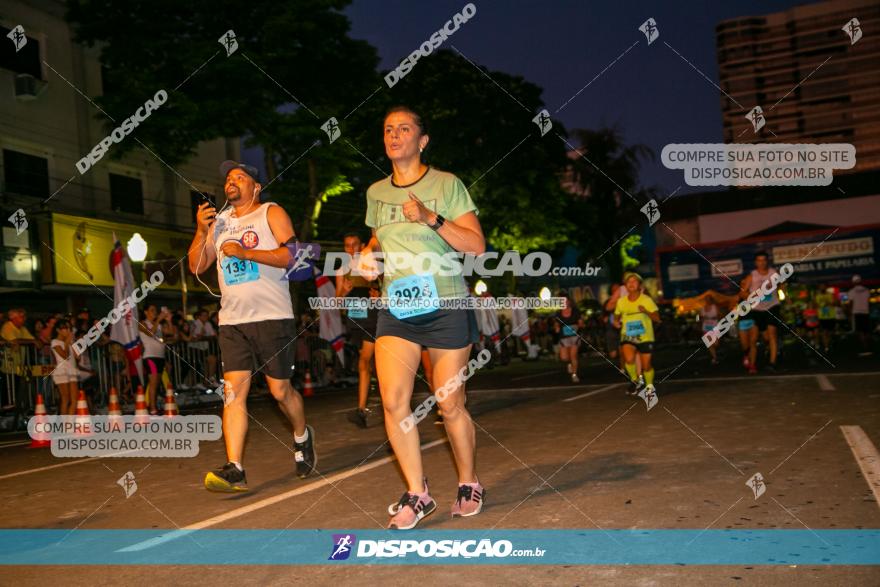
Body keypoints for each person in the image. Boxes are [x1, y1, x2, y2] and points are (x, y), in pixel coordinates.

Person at [360, 106, 485, 529]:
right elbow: (377, 237)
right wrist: (367, 255)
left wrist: (432, 218)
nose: (395, 135)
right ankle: (418, 491)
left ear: (422, 140)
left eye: (404, 128)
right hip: (398, 308)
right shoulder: (376, 193)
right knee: (394, 401)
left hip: (447, 303)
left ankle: (469, 482)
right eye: (388, 129)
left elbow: (475, 246)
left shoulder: (447, 185)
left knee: (450, 403)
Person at [188, 160, 315, 492]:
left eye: (240, 177)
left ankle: (302, 435)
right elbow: (197, 266)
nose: (232, 182)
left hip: (272, 317)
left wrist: (248, 253)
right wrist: (202, 231)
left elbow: (295, 256)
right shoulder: (218, 223)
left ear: (255, 187)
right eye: (229, 178)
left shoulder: (270, 212)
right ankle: (235, 467)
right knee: (232, 395)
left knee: (280, 391)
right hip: (232, 321)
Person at [337, 232, 381, 428]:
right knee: (365, 362)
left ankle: (366, 408)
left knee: (368, 361)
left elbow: (385, 286)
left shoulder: (372, 264)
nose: (352, 249)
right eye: (347, 245)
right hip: (355, 317)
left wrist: (378, 294)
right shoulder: (341, 270)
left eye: (355, 244)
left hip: (374, 315)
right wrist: (344, 292)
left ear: (362, 245)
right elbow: (338, 303)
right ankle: (362, 409)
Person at [613, 273, 660, 395]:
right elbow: (617, 315)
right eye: (629, 282)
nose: (631, 284)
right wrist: (616, 322)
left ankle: (649, 387)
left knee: (646, 366)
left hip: (645, 337)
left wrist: (646, 311)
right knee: (628, 359)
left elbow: (657, 318)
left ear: (639, 285)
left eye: (634, 281)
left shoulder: (646, 300)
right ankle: (635, 380)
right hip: (628, 335)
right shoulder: (621, 302)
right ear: (625, 286)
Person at [740, 251, 784, 372]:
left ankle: (772, 363)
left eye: (764, 260)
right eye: (759, 260)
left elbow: (781, 285)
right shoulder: (752, 276)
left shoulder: (773, 273)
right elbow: (742, 292)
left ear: (767, 261)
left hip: (772, 307)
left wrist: (783, 295)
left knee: (772, 334)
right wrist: (751, 297)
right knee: (758, 339)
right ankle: (754, 361)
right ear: (756, 262)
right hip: (757, 310)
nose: (762, 263)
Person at [140, 304, 168, 414]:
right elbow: (150, 333)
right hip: (150, 357)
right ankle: (152, 408)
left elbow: (165, 337)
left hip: (160, 356)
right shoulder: (142, 323)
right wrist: (158, 320)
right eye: (152, 310)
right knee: (153, 382)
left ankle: (153, 405)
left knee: (157, 383)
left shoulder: (159, 325)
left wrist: (168, 321)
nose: (155, 312)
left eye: (155, 310)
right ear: (146, 312)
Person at [50, 320, 79, 415]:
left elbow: (78, 357)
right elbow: (65, 356)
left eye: (69, 328)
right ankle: (64, 424)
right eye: (65, 328)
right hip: (61, 372)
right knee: (65, 399)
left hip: (72, 371)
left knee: (75, 399)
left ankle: (69, 423)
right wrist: (67, 342)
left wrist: (72, 343)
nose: (68, 331)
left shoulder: (69, 341)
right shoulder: (55, 342)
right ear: (58, 330)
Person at [554, 293, 584, 383]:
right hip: (564, 337)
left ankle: (574, 375)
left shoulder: (575, 311)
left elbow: (580, 322)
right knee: (564, 358)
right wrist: (557, 327)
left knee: (573, 356)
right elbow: (556, 324)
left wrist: (580, 325)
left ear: (569, 301)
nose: (564, 303)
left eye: (565, 300)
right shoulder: (558, 313)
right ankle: (569, 363)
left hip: (575, 336)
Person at [847, 275, 873, 357]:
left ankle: (864, 348)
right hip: (866, 312)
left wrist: (849, 313)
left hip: (857, 313)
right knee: (866, 330)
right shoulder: (867, 290)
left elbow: (851, 304)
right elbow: (869, 302)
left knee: (860, 331)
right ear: (860, 281)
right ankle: (869, 346)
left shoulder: (851, 291)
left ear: (853, 282)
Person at [815, 285, 837, 354]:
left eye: (823, 286)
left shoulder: (830, 295)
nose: (822, 288)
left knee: (831, 333)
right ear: (819, 288)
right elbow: (815, 305)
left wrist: (829, 303)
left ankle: (830, 343)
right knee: (824, 332)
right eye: (821, 287)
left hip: (831, 316)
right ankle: (826, 347)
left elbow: (834, 303)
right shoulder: (817, 296)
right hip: (822, 317)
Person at [701, 294, 720, 365]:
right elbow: (701, 318)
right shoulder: (702, 308)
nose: (707, 300)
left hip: (714, 327)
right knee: (709, 343)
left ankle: (715, 355)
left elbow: (719, 315)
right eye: (706, 299)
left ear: (711, 300)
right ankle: (714, 358)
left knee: (716, 344)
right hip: (706, 327)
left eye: (708, 299)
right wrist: (702, 319)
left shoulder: (715, 307)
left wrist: (714, 318)